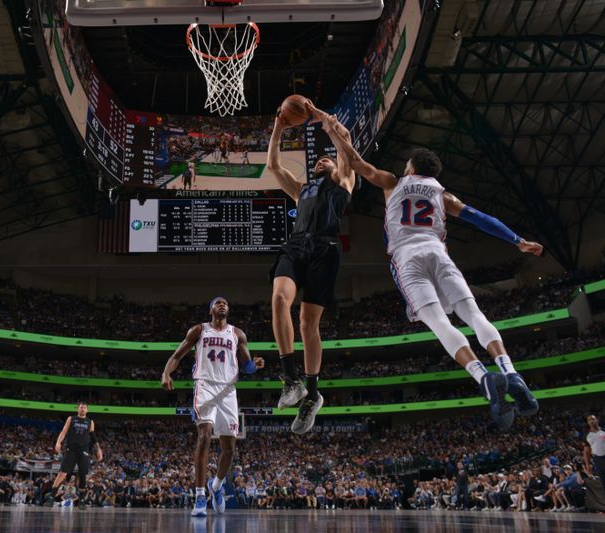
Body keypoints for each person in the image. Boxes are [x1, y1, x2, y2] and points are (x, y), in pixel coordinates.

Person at [324, 113, 543, 431]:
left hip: (408, 257)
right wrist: (517, 240)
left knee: (439, 322)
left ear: (411, 167)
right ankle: (510, 371)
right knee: (474, 314)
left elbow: (355, 161)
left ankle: (483, 377)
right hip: (439, 254)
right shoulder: (443, 194)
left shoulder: (392, 183)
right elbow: (480, 218)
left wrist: (333, 132)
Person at [265, 104, 356, 434]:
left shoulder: (344, 181)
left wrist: (328, 124)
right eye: (317, 159)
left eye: (326, 159)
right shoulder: (302, 189)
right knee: (278, 301)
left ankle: (313, 394)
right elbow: (273, 164)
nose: (321, 160)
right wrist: (279, 124)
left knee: (307, 324)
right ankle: (292, 380)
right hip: (297, 245)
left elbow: (346, 148)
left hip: (326, 248)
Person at [161, 297, 265, 517]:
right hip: (205, 385)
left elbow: (246, 367)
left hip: (228, 390)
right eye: (218, 303)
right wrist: (166, 372)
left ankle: (215, 486)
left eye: (226, 303)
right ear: (210, 310)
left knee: (229, 450)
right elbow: (177, 355)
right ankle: (200, 496)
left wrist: (254, 365)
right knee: (204, 435)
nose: (222, 304)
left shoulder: (238, 334)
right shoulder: (199, 330)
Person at [49, 402, 103, 507]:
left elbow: (93, 436)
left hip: (84, 450)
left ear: (87, 410)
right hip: (71, 449)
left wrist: (99, 449)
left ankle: (82, 499)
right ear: (78, 409)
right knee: (62, 473)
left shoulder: (90, 422)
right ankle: (51, 496)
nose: (83, 409)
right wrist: (58, 442)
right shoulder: (71, 419)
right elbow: (64, 431)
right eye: (81, 407)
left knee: (82, 474)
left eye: (85, 407)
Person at [586, 414, 605, 493]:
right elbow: (587, 452)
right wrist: (588, 465)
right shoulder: (587, 435)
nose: (591, 421)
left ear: (597, 420)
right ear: (588, 423)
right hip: (598, 459)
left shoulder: (603, 431)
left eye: (593, 419)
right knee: (604, 481)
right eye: (589, 420)